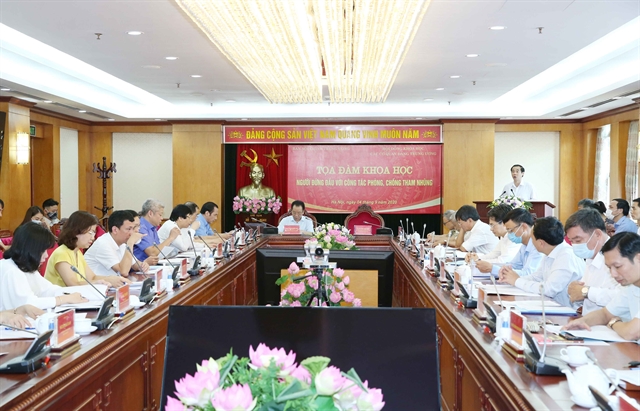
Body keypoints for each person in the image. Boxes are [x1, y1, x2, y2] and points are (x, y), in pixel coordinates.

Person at [562, 232, 640, 341]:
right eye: (609, 268)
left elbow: (632, 332)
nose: (613, 274)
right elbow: (605, 314)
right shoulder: (630, 286)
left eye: (618, 266)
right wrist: (582, 321)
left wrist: (614, 323)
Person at [499, 216, 585, 308]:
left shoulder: (566, 256)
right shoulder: (550, 252)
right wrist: (511, 277)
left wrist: (517, 280)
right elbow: (537, 277)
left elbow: (548, 289)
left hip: (567, 313)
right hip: (552, 307)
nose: (530, 242)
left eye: (532, 239)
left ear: (541, 243)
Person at [0, 223, 86, 311]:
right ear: (32, 249)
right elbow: (28, 304)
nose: (46, 255)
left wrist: (74, 294)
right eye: (43, 250)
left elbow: (47, 289)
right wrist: (64, 299)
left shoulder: (26, 266)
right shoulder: (11, 270)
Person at [44, 211, 129, 288]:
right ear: (76, 231)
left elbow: (92, 277)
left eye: (94, 233)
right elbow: (73, 284)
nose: (93, 237)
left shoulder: (77, 252)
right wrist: (100, 282)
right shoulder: (62, 253)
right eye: (90, 232)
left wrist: (113, 279)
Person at [564, 208, 620, 314]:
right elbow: (584, 297)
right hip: (590, 322)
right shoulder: (591, 256)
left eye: (578, 240)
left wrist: (586, 291)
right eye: (571, 241)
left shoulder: (619, 254)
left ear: (597, 234)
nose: (574, 245)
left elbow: (623, 297)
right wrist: (574, 290)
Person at [84, 210, 148, 277]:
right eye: (128, 229)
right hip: (96, 286)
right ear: (115, 230)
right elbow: (124, 272)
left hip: (111, 284)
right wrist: (131, 243)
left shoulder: (122, 243)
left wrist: (143, 265)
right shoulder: (103, 244)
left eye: (132, 229)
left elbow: (136, 265)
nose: (132, 233)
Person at [467, 204, 520, 274]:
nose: (491, 229)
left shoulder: (514, 238)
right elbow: (493, 254)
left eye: (492, 225)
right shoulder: (503, 236)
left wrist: (477, 260)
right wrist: (477, 257)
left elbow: (503, 261)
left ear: (504, 223)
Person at [498, 208, 544, 278]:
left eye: (510, 230)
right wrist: (495, 268)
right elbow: (514, 265)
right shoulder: (524, 245)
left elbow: (529, 273)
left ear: (523, 227)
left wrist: (498, 270)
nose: (509, 234)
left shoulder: (538, 245)